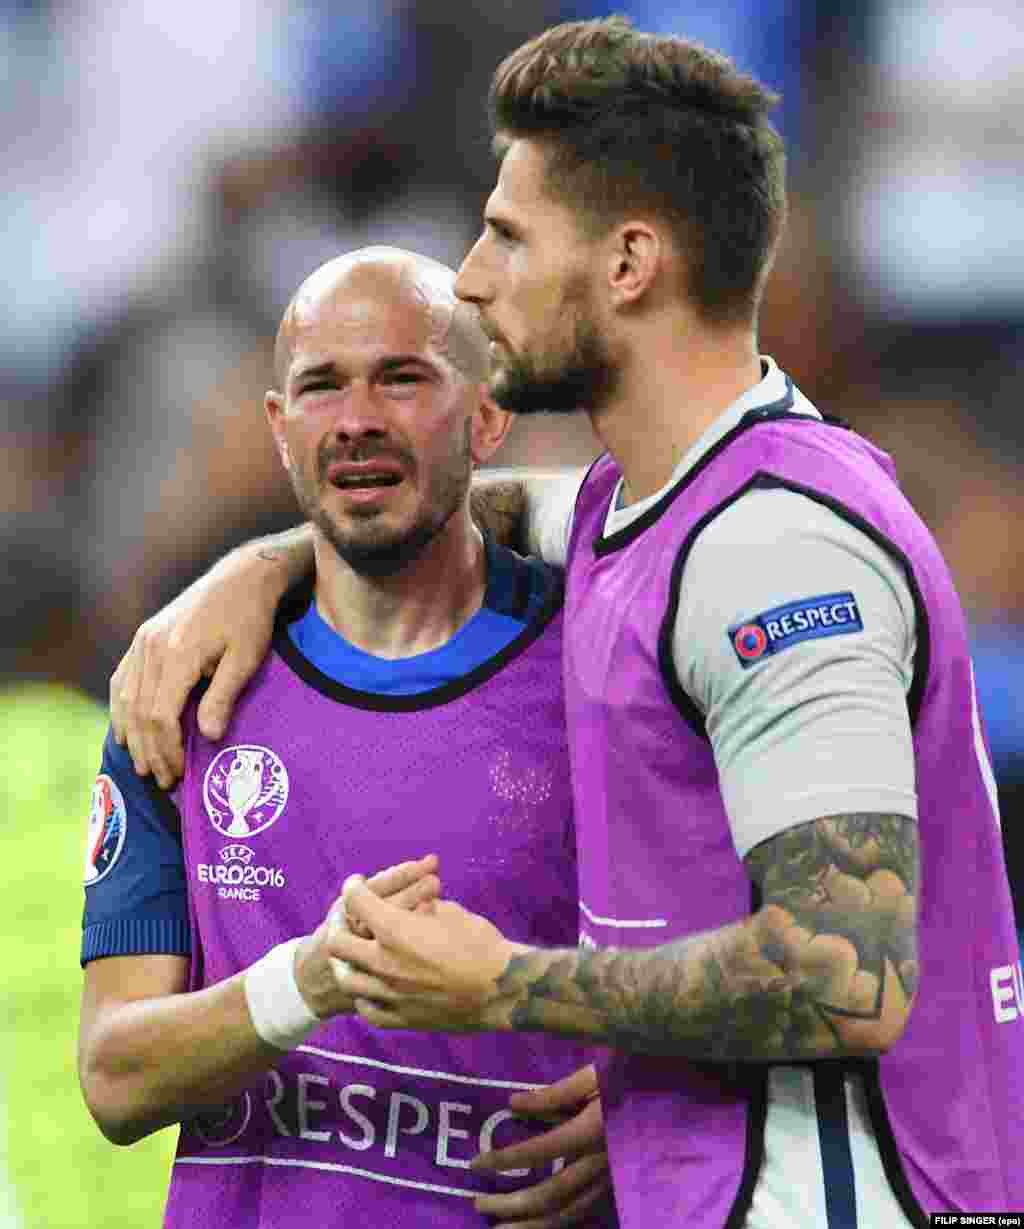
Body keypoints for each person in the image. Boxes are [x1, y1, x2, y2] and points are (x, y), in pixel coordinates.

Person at [109, 17, 1024, 1228]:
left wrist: (506, 987)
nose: (474, 280)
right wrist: (266, 562)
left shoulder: (776, 549)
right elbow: (455, 514)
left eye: (505, 235)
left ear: (629, 262)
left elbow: (849, 974)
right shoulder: (638, 504)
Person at [79, 247, 617, 1229]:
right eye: (322, 386)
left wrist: (657, 1101)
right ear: (281, 429)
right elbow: (114, 1075)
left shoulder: (602, 673)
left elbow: (757, 959)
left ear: (488, 414)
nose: (358, 419)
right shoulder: (181, 690)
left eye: (402, 378)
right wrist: (308, 978)